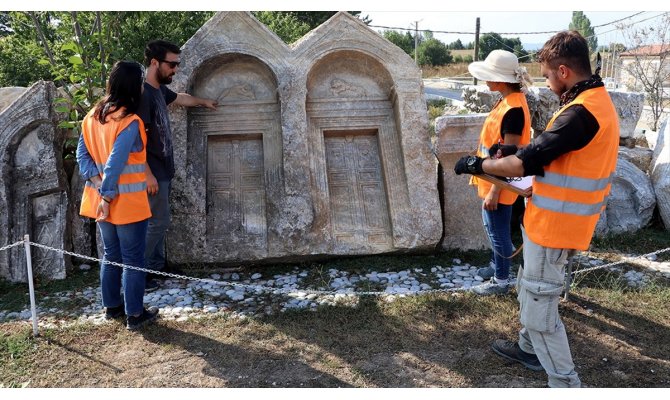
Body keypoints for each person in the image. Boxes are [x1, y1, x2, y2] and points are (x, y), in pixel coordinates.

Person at [454, 31, 619, 388]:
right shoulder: (591, 102)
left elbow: (524, 163)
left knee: (540, 310)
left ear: (563, 71)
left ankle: (565, 384)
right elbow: (550, 156)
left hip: (556, 226)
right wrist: (507, 158)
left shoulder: (582, 112)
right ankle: (528, 349)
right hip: (549, 218)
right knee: (530, 290)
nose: (544, 83)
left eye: (545, 75)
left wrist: (477, 165)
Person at [76, 61, 159, 331]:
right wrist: (108, 195)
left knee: (111, 255)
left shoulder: (91, 117)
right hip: (125, 204)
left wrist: (99, 187)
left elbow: (83, 157)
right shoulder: (129, 121)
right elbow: (116, 161)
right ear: (135, 86)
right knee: (133, 258)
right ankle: (135, 314)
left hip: (101, 201)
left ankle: (112, 307)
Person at [139, 40, 218, 291]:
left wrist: (204, 101)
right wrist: (147, 173)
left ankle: (156, 266)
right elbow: (134, 139)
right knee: (156, 223)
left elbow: (180, 98)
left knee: (160, 221)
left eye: (178, 64)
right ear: (154, 63)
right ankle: (138, 273)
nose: (176, 69)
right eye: (172, 64)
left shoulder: (159, 91)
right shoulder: (142, 95)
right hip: (152, 173)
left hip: (164, 170)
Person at [466, 50, 533, 296]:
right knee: (495, 229)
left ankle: (501, 280)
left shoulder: (513, 109)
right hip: (492, 179)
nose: (486, 79)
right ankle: (498, 265)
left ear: (501, 79)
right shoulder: (508, 100)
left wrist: (495, 190)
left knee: (497, 232)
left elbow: (508, 155)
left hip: (499, 184)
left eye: (489, 75)